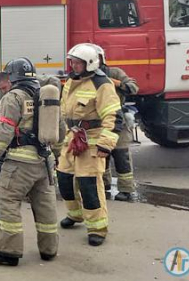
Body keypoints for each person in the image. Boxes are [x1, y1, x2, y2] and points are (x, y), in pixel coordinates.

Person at [0, 58, 58, 266]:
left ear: (13, 76)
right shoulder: (46, 96)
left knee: (8, 200)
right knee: (45, 205)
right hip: (45, 160)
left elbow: (5, 128)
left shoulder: (13, 97)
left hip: (19, 162)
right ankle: (49, 249)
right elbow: (59, 129)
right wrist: (57, 155)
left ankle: (9, 252)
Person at [56, 43, 123, 247]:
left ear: (90, 63)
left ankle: (97, 228)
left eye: (78, 63)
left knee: (89, 186)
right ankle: (75, 214)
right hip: (71, 139)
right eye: (73, 62)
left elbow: (114, 116)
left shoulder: (102, 84)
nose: (74, 66)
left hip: (92, 142)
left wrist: (105, 145)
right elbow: (63, 110)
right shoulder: (71, 81)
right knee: (64, 178)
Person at [92, 45, 139, 202]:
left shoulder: (114, 73)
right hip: (98, 124)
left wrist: (115, 83)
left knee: (121, 157)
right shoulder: (86, 77)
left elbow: (133, 87)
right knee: (101, 157)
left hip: (118, 122)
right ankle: (103, 187)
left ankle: (126, 189)